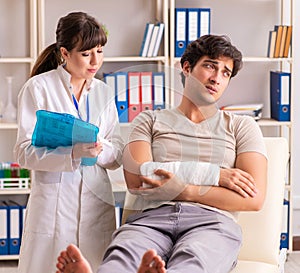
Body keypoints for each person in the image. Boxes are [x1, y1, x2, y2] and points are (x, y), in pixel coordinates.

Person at [56, 34, 268, 273]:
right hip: (150, 220)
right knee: (123, 256)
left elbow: (253, 198)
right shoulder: (149, 119)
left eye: (226, 73)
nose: (216, 78)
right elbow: (137, 178)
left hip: (212, 223)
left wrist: (185, 191)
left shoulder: (241, 126)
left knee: (194, 262)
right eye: (210, 66)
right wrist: (217, 177)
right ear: (187, 67)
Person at [14, 11, 123, 273]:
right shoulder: (38, 88)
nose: (95, 61)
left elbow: (118, 153)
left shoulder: (104, 92)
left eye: (99, 50)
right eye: (86, 54)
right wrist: (71, 154)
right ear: (65, 52)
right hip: (52, 208)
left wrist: (99, 148)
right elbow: (24, 152)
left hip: (96, 206)